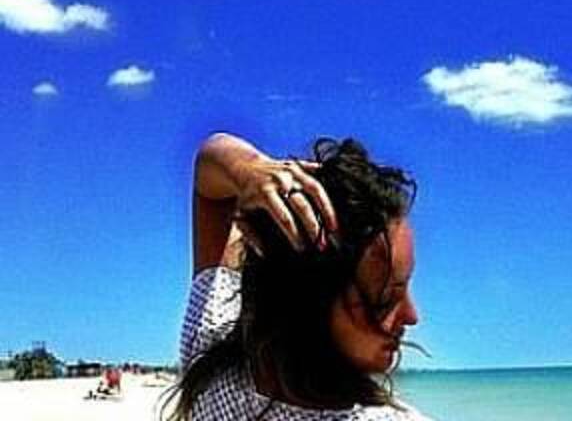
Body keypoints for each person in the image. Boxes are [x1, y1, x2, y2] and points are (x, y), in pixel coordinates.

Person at [163, 133, 430, 420]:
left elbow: (209, 175)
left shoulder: (212, 365)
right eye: (386, 297)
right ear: (309, 299)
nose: (412, 316)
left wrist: (249, 169)